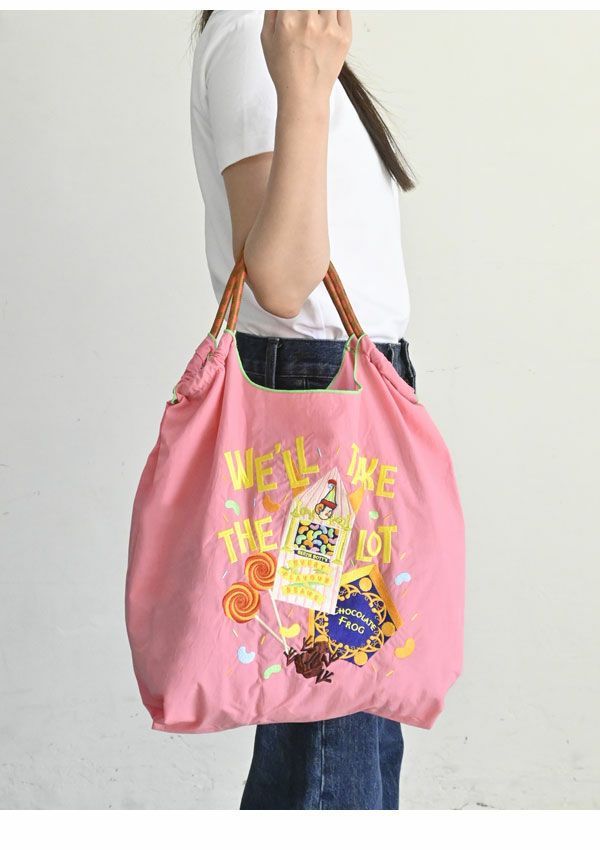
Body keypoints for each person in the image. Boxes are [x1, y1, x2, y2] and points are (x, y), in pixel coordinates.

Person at [190, 10, 418, 811]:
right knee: (331, 712)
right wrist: (305, 89)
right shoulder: (252, 33)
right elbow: (284, 283)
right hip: (317, 404)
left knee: (347, 708)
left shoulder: (290, 35)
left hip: (349, 390)